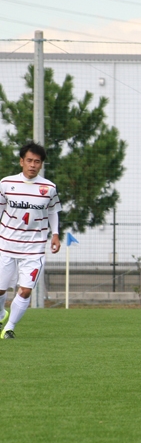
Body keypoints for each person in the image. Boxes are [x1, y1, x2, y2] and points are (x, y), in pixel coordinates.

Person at [0, 142, 61, 339]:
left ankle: (9, 328)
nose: (33, 165)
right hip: (6, 244)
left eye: (37, 161)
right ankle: (2, 314)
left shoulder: (49, 188)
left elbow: (53, 211)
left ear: (41, 164)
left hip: (34, 248)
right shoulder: (6, 184)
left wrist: (56, 234)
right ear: (21, 161)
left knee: (25, 291)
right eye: (29, 160)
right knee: (0, 290)